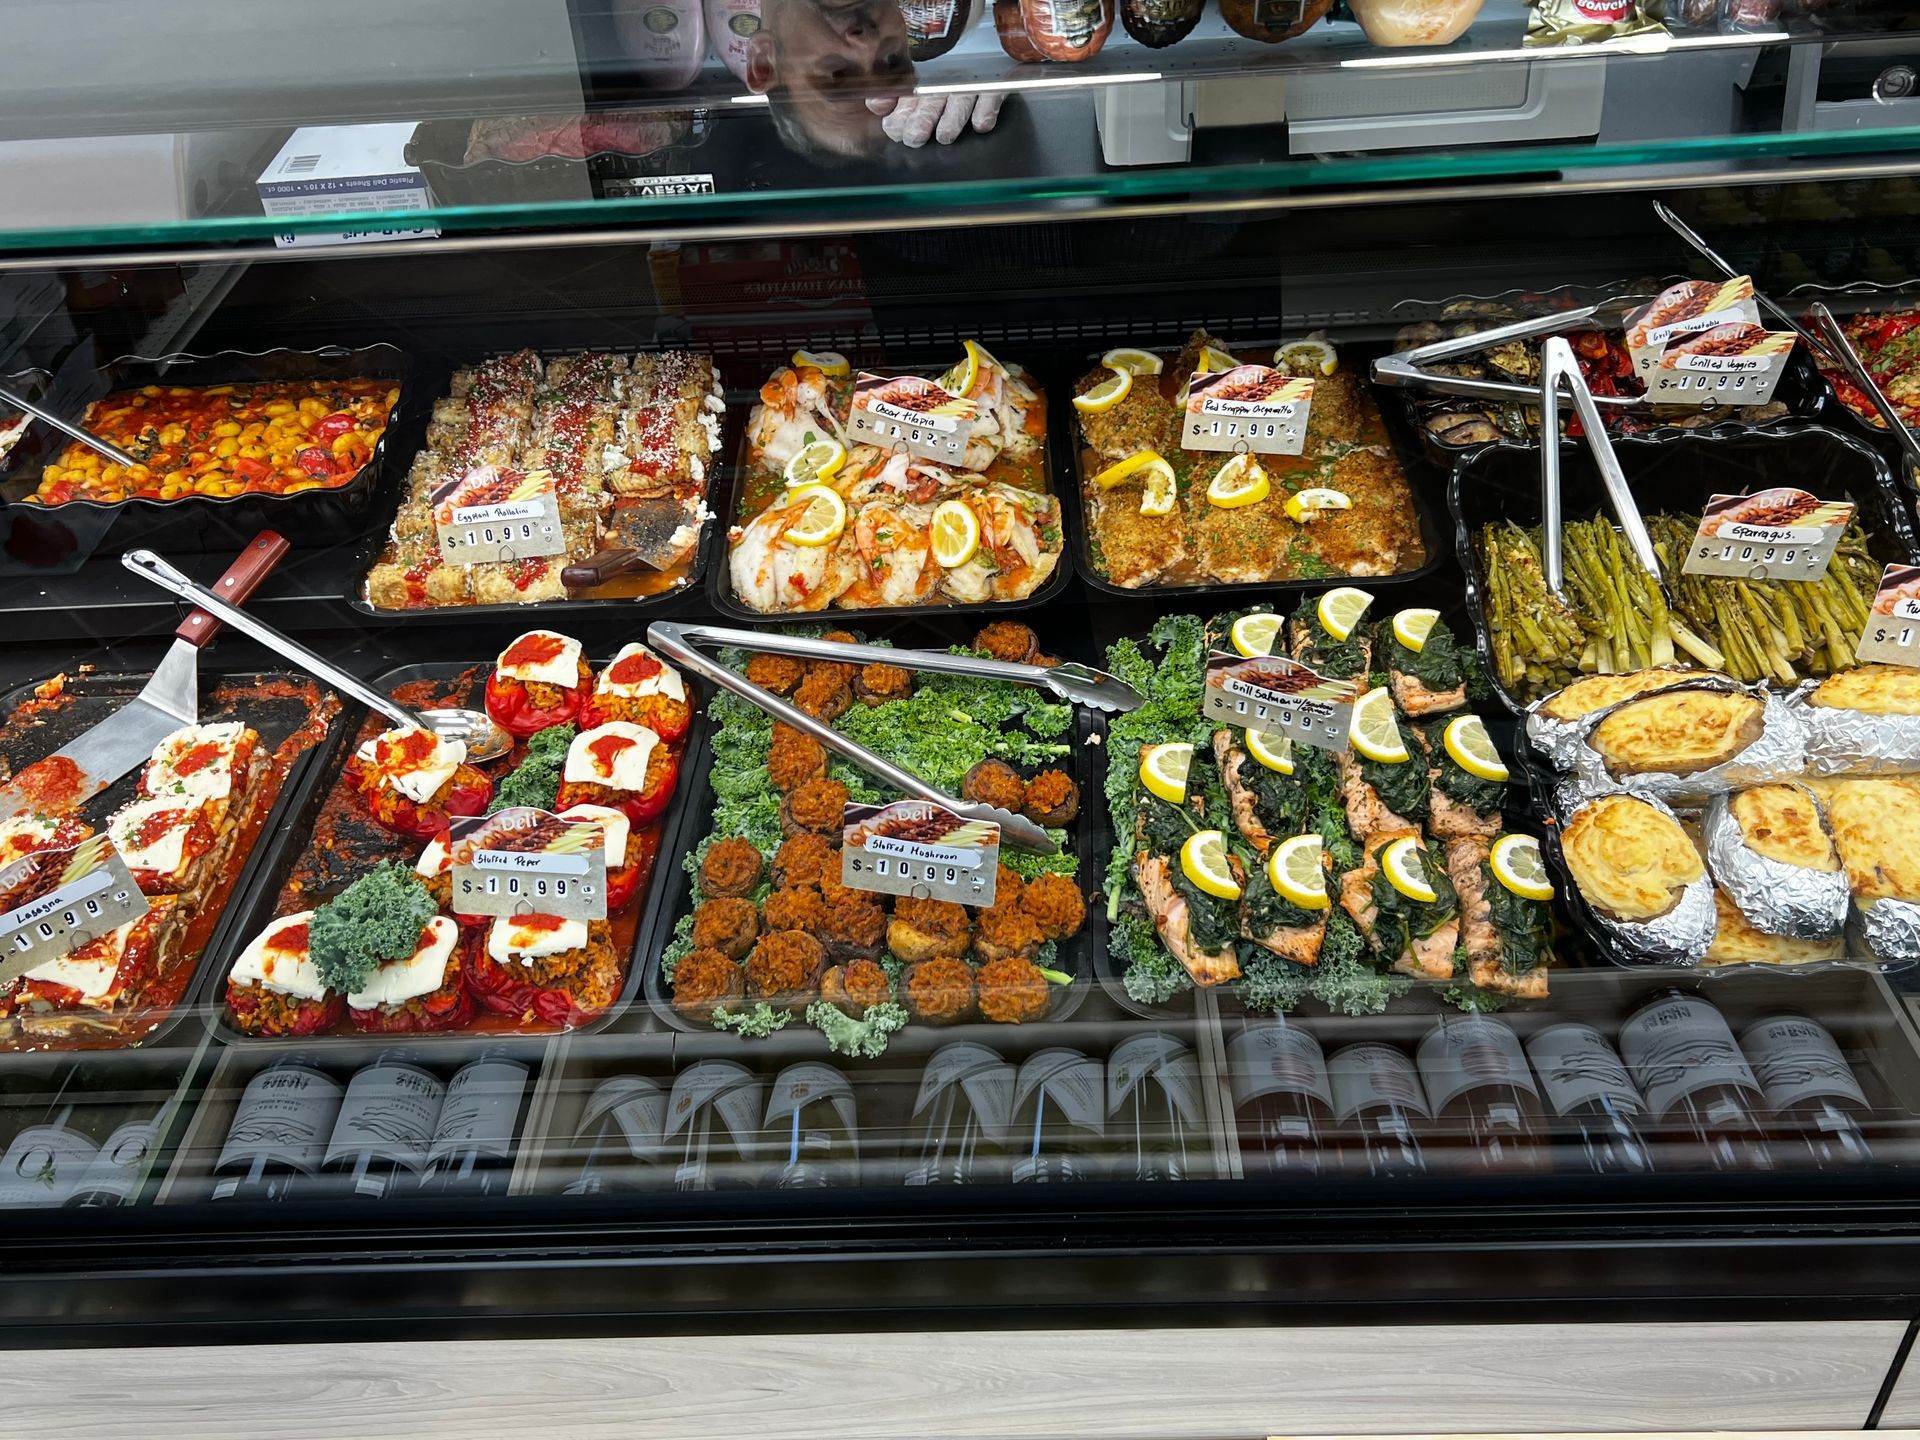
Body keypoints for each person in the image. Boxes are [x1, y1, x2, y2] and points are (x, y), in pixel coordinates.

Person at [744, 0, 1005, 160]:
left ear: (764, 62)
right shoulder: (960, 18)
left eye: (837, 74)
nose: (867, 43)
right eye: (893, 60)